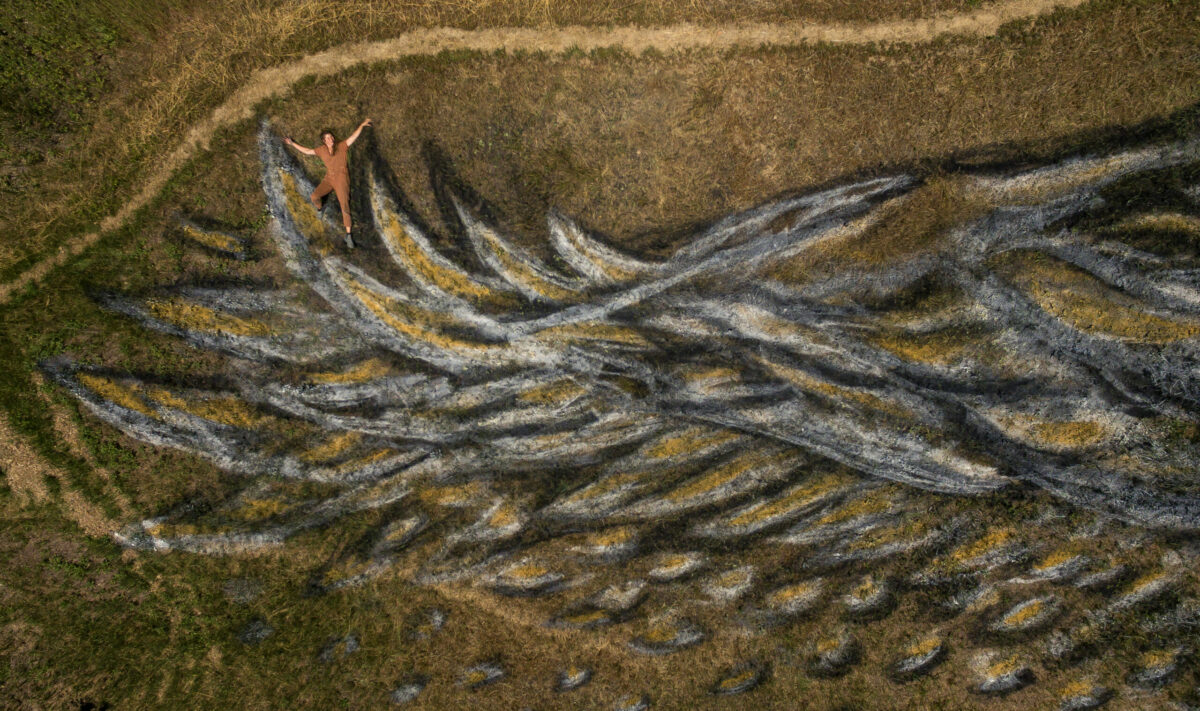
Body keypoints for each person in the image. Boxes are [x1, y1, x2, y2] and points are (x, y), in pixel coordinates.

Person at [284, 118, 372, 248]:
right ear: (324, 141)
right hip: (329, 178)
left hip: (342, 179)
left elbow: (353, 137)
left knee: (344, 206)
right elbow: (307, 151)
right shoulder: (321, 150)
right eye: (327, 138)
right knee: (314, 196)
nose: (330, 139)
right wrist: (292, 144)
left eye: (331, 137)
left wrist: (362, 125)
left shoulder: (342, 146)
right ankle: (321, 207)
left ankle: (348, 235)